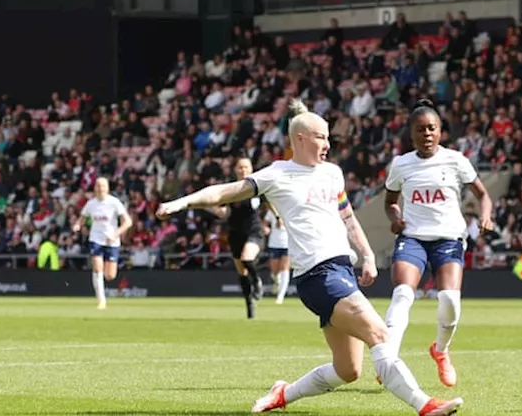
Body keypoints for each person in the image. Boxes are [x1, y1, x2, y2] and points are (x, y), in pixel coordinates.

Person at [156, 100, 462, 416]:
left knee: (348, 370)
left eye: (329, 137)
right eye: (321, 137)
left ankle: (282, 393)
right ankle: (425, 405)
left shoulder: (332, 174)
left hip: (341, 269)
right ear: (300, 138)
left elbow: (348, 218)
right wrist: (180, 203)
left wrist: (367, 255)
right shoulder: (277, 174)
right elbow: (225, 192)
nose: (327, 144)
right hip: (318, 275)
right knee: (380, 334)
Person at [383, 99, 495, 389]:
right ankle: (387, 360)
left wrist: (485, 216)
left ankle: (441, 351)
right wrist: (395, 219)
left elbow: (483, 195)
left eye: (432, 128)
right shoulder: (401, 164)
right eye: (421, 130)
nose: (427, 134)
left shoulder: (456, 160)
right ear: (411, 133)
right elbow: (390, 203)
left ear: (440, 131)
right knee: (403, 295)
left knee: (449, 300)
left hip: (449, 237)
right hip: (413, 237)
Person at [211, 157, 266, 319]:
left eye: (246, 167)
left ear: (251, 169)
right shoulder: (230, 189)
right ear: (235, 169)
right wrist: (216, 210)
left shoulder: (259, 186)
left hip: (254, 230)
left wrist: (278, 218)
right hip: (235, 233)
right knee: (242, 273)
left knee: (247, 259)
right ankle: (250, 306)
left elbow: (270, 202)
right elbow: (223, 211)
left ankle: (257, 282)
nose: (243, 170)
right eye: (240, 167)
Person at [81, 177, 131, 310]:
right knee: (98, 267)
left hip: (112, 241)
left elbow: (128, 222)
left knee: (110, 275)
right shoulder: (91, 204)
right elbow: (82, 218)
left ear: (107, 188)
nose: (100, 188)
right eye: (98, 186)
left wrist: (115, 234)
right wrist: (77, 225)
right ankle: (101, 300)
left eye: (103, 186)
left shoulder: (114, 203)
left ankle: (100, 282)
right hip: (96, 239)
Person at [265, 204, 291, 305]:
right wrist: (265, 228)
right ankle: (277, 283)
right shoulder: (272, 211)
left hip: (288, 244)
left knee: (284, 268)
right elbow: (265, 223)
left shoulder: (291, 210)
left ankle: (281, 296)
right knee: (275, 271)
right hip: (274, 243)